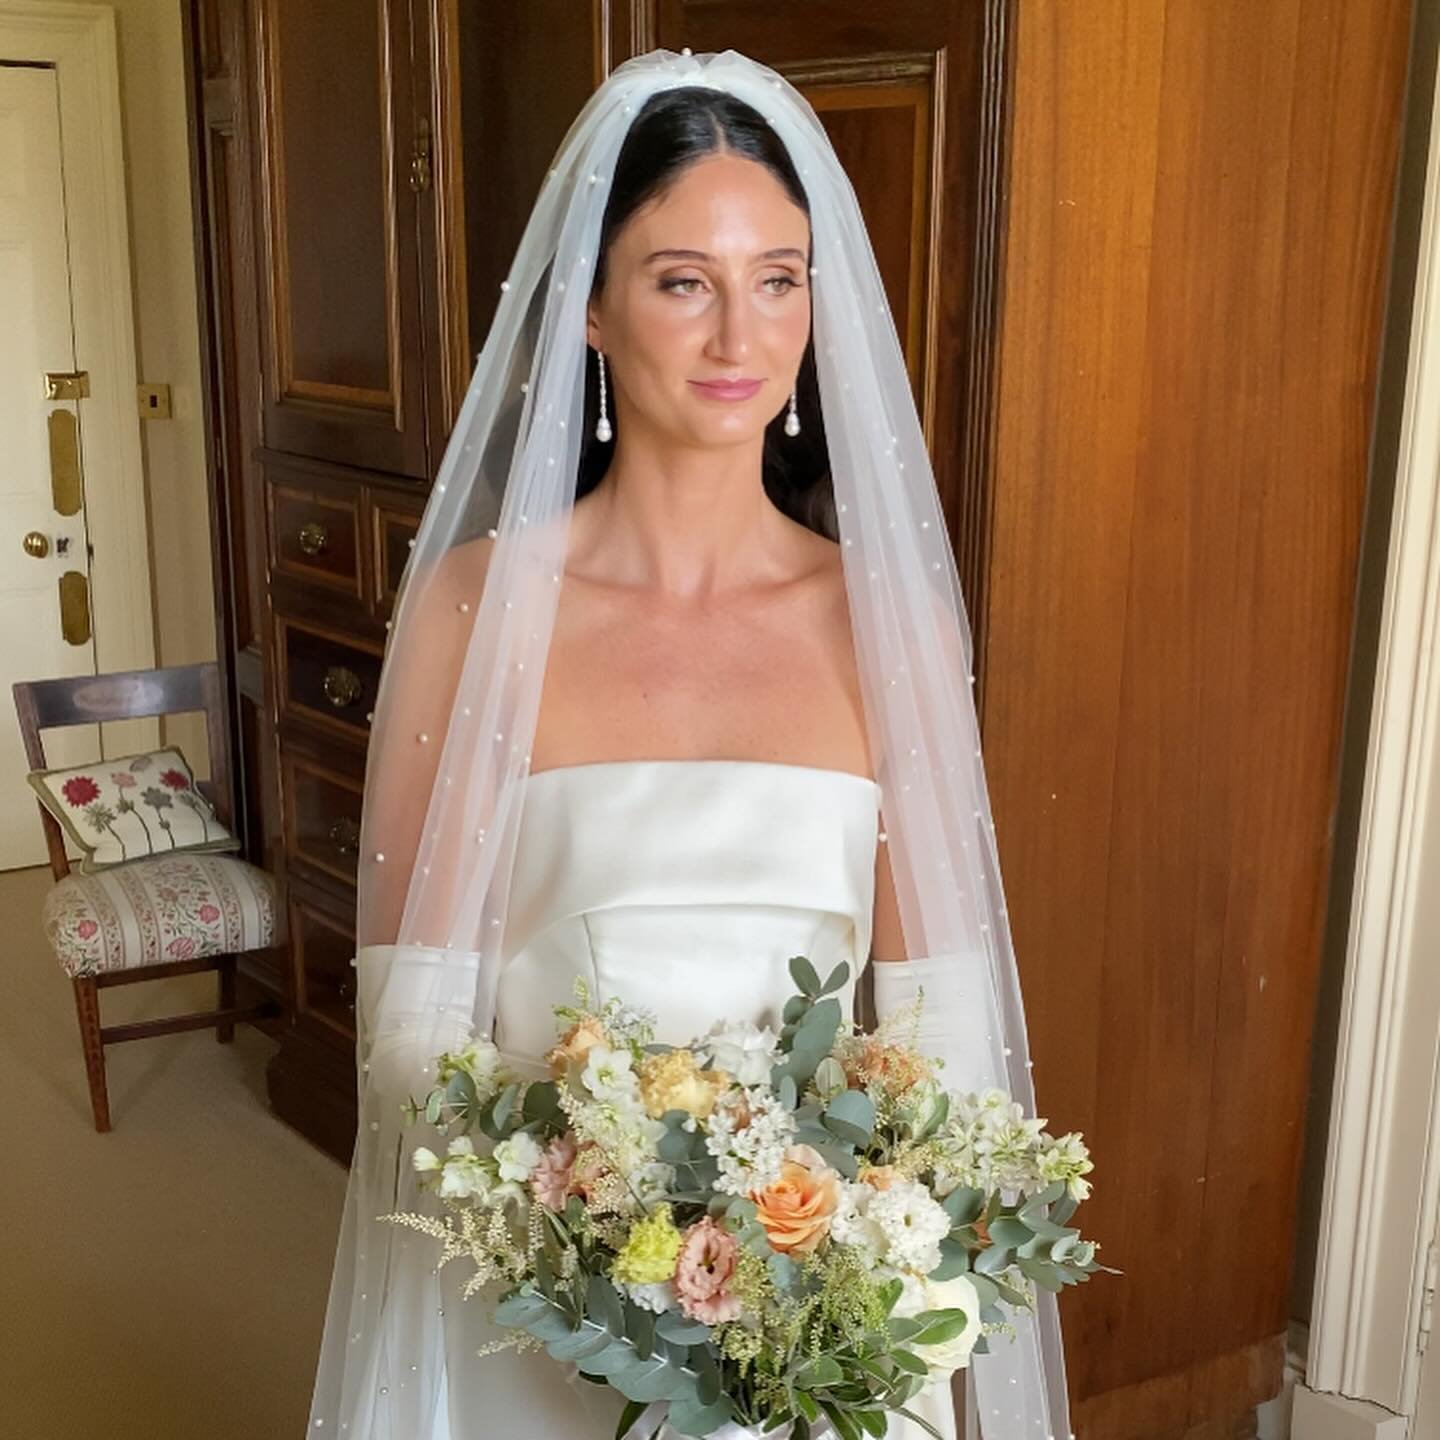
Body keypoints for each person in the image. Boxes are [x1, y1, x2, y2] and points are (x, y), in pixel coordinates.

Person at [305, 48, 1072, 1440]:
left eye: (778, 278)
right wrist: (598, 1267)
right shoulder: (480, 611)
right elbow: (413, 1040)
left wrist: (905, 1341)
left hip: (831, 1337)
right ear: (592, 310)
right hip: (534, 1321)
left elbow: (941, 1038)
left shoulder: (886, 624)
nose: (741, 338)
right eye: (683, 281)